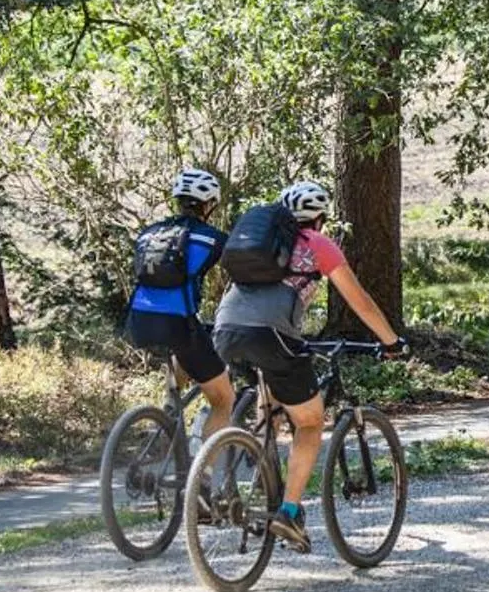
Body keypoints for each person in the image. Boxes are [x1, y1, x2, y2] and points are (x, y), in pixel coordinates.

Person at [212, 180, 404, 553]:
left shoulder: (261, 243)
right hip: (273, 333)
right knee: (311, 421)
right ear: (319, 218)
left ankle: (251, 470)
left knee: (271, 405)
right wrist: (391, 341)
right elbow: (360, 302)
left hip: (226, 329)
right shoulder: (318, 245)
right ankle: (287, 511)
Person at [123, 168, 234, 444]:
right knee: (224, 399)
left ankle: (167, 414)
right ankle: (202, 477)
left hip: (138, 321)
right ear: (208, 204)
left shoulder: (148, 233)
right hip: (178, 323)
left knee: (185, 352)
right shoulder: (214, 239)